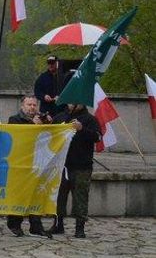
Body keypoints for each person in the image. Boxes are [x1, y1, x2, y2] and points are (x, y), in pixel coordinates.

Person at [51, 101, 101, 238]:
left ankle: (80, 227)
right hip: (61, 165)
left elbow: (97, 137)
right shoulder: (60, 117)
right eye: (70, 101)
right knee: (59, 196)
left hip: (81, 166)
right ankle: (57, 223)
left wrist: (82, 129)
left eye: (75, 102)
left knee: (80, 197)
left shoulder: (90, 119)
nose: (72, 104)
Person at [7, 95, 51, 238]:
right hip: (20, 163)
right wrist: (33, 125)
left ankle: (36, 226)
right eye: (29, 104)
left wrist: (49, 123)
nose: (32, 107)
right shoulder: (14, 119)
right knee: (20, 194)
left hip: (37, 163)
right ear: (22, 106)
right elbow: (19, 137)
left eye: (34, 105)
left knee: (36, 195)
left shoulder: (40, 119)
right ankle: (14, 223)